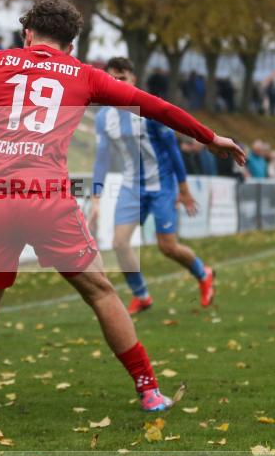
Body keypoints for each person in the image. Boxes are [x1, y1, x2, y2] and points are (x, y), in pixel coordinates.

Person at [0, 0, 244, 416]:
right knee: (100, 292)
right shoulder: (84, 75)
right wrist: (209, 138)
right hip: (46, 198)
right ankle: (148, 389)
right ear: (71, 46)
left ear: (27, 35)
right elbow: (155, 107)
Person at [89, 57, 216, 315]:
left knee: (167, 246)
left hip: (162, 186)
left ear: (133, 80)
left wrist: (184, 189)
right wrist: (96, 196)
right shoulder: (104, 118)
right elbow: (102, 157)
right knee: (119, 243)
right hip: (130, 187)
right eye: (112, 78)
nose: (116, 83)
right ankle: (142, 295)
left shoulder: (147, 110)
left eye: (122, 78)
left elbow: (173, 149)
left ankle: (204, 273)